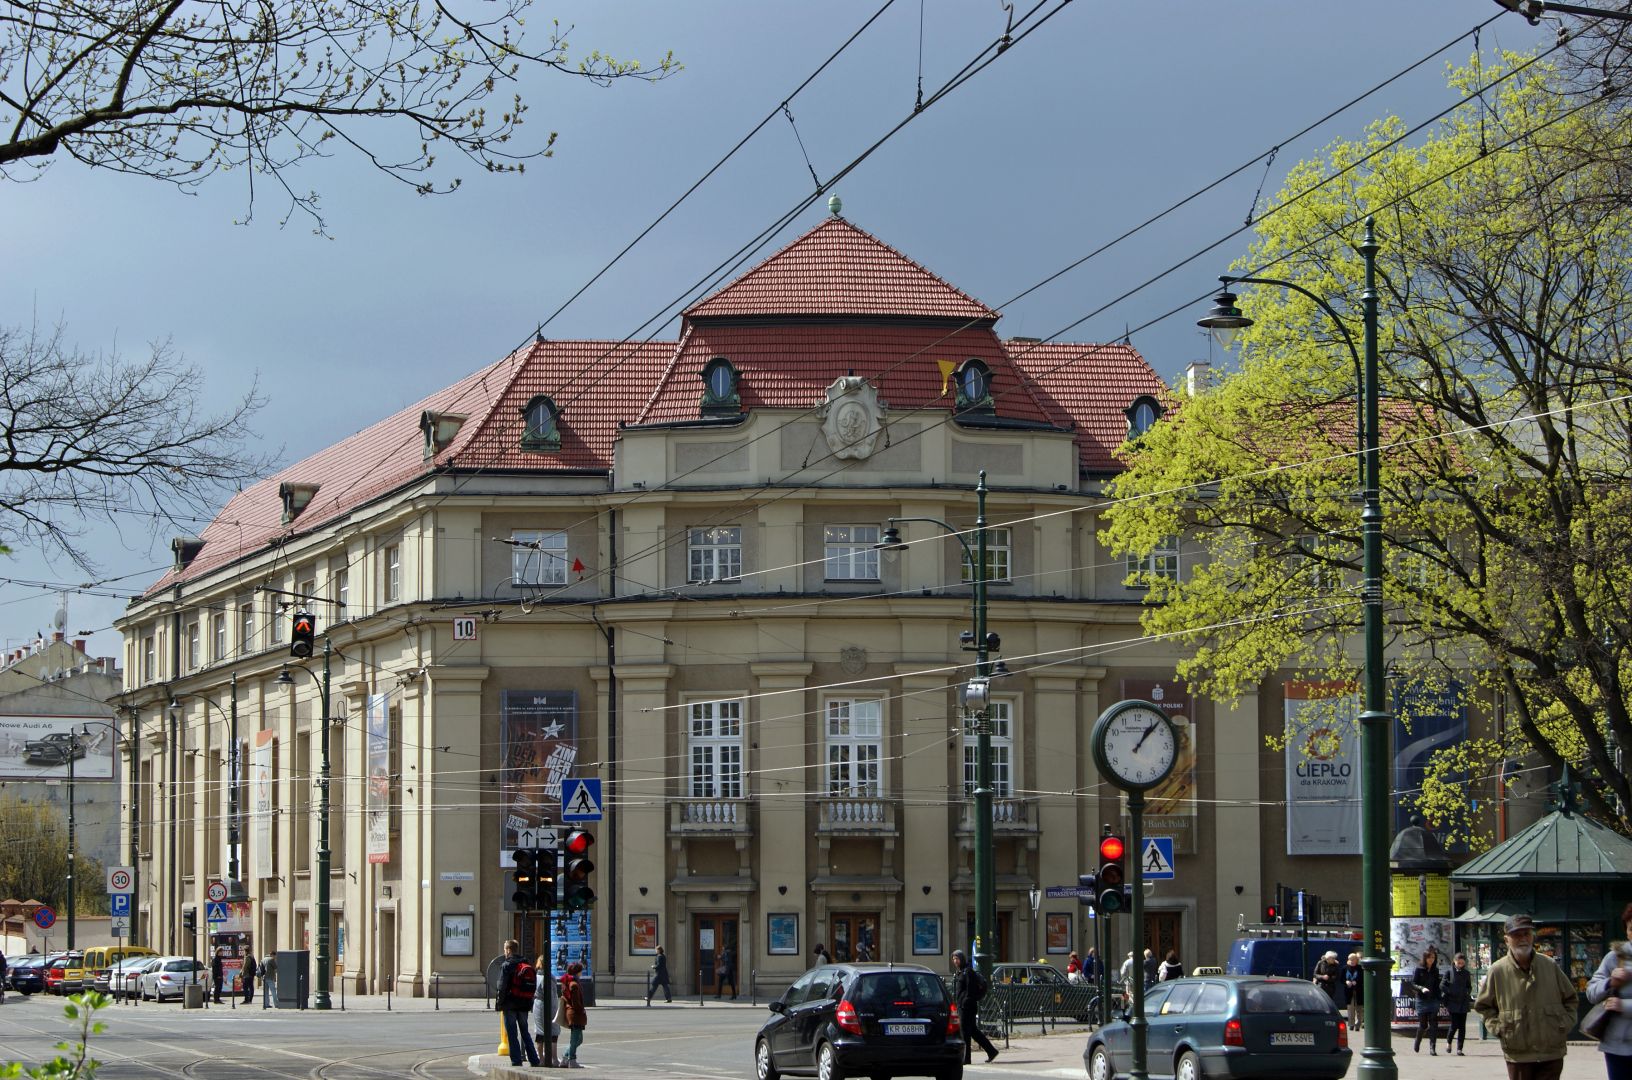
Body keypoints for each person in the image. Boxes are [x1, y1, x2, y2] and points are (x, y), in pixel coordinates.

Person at [1475, 913, 1578, 1080]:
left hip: (1551, 1051)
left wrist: (1562, 1024)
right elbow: (1483, 1007)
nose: (1523, 939)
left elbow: (1571, 999)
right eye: (1517, 935)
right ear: (1506, 939)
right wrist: (1500, 1028)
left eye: (1527, 934)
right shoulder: (1498, 970)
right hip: (1518, 1054)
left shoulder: (1549, 965)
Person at [1586, 901, 1632, 1080]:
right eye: (1630, 928)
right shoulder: (1614, 957)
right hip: (1616, 1045)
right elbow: (1591, 993)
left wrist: (1623, 1005)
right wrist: (1609, 982)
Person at [495, 939, 540, 1068]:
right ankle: (534, 1060)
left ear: (509, 950)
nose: (504, 952)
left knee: (512, 1034)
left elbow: (502, 986)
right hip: (524, 1003)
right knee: (525, 1032)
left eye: (505, 949)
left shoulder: (507, 965)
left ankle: (516, 1060)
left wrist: (499, 1003)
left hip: (510, 1003)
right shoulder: (525, 963)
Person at [951, 950, 998, 1064]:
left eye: (957, 958)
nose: (955, 961)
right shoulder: (960, 972)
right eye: (953, 959)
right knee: (973, 1031)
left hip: (967, 1008)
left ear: (962, 959)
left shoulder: (968, 972)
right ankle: (991, 1051)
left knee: (965, 1032)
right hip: (963, 1006)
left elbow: (970, 991)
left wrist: (964, 1003)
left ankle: (966, 1058)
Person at [1410, 946, 1444, 1055]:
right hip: (1422, 999)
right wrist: (1421, 988)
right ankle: (1417, 1040)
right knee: (1423, 1025)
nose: (1431, 960)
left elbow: (1437, 985)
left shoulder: (1435, 970)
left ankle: (1432, 1048)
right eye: (1429, 957)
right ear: (1425, 958)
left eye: (1433, 957)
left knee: (1434, 1023)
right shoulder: (1419, 969)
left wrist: (1440, 998)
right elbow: (1413, 984)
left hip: (1433, 999)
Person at [531, 955, 560, 1068]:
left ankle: (541, 1059)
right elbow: (553, 994)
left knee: (540, 1032)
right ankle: (554, 1059)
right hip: (549, 1005)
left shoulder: (537, 976)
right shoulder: (549, 977)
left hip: (539, 1005)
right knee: (553, 1032)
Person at [1443, 952, 1473, 1057]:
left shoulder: (1466, 973)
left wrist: (1467, 992)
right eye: (1458, 962)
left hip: (1463, 1002)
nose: (1460, 964)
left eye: (1462, 963)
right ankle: (1449, 1042)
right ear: (1454, 962)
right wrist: (1450, 991)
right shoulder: (1449, 972)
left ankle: (1459, 1048)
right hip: (1453, 1002)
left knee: (1462, 1027)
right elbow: (1442, 985)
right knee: (1454, 1025)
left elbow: (1469, 986)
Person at [560, 961, 588, 1068]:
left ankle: (565, 1058)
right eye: (580, 971)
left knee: (577, 1039)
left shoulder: (568, 982)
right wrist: (582, 1010)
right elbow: (576, 1003)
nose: (581, 973)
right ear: (577, 972)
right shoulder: (574, 985)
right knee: (576, 1038)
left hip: (572, 1013)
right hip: (575, 1014)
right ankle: (571, 1059)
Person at [1343, 952, 1364, 1031]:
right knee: (1350, 1008)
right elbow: (1341, 979)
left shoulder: (1360, 968)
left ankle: (1358, 1024)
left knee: (1359, 1008)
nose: (1351, 961)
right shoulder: (1345, 968)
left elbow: (1363, 979)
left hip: (1358, 990)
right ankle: (1351, 1024)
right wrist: (1346, 982)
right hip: (1349, 991)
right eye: (1350, 959)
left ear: (1356, 960)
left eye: (1353, 959)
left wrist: (1357, 982)